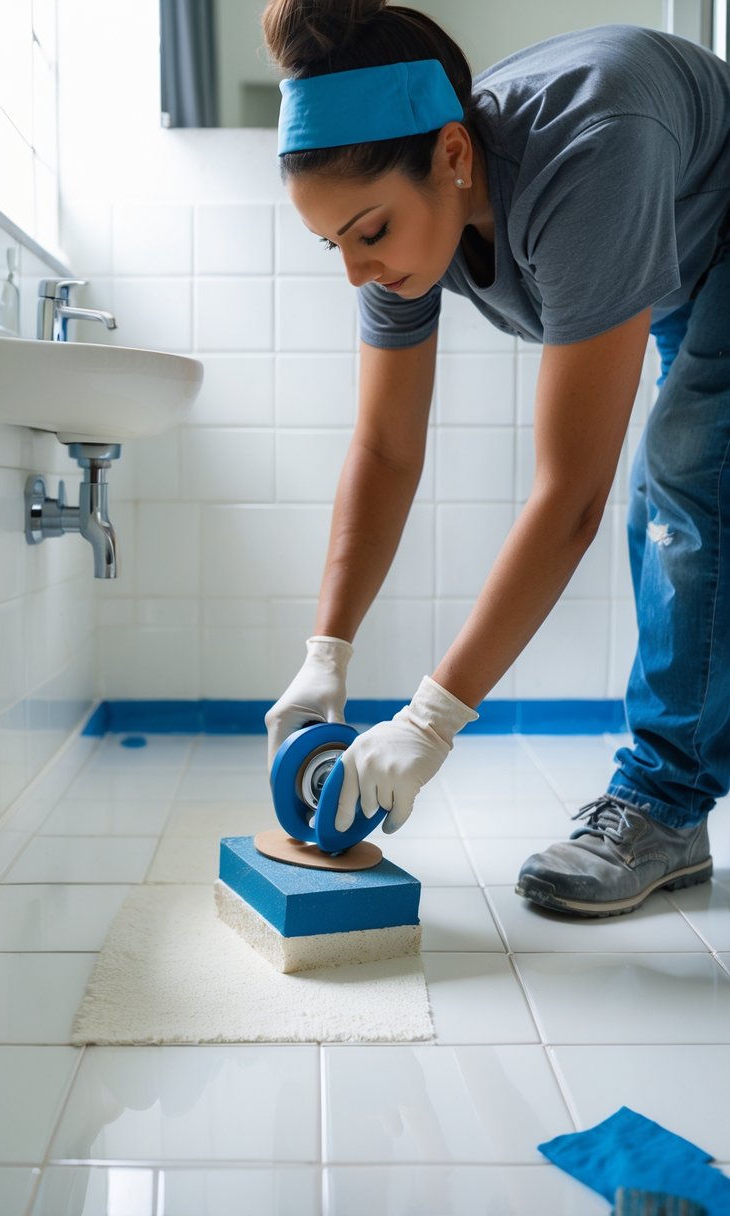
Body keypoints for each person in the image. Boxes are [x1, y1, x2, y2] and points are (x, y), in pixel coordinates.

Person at [261, 0, 730, 917]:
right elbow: (386, 448)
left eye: (367, 233)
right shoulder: (398, 235)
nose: (356, 272)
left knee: (681, 485)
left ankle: (663, 805)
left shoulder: (588, 156)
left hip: (709, 219)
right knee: (694, 482)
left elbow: (569, 499)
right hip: (679, 234)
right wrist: (326, 652)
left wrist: (432, 718)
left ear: (454, 155)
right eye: (333, 245)